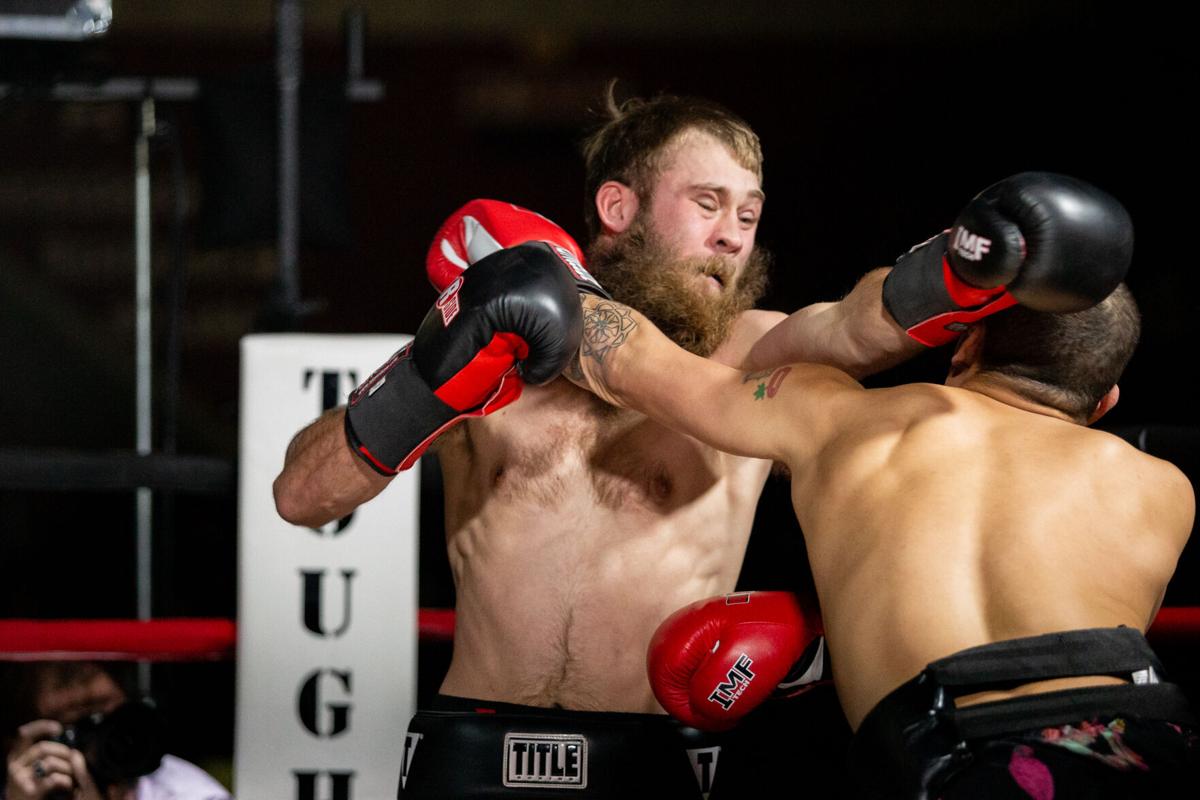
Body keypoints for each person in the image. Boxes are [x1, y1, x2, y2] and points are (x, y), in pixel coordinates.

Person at [272, 89, 917, 797]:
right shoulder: (495, 348)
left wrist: (963, 268)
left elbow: (861, 325)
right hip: (470, 744)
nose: (733, 236)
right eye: (708, 203)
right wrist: (425, 381)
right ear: (618, 209)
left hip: (653, 756)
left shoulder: (753, 352)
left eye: (748, 214)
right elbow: (302, 496)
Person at [567, 171, 1199, 796]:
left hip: (950, 750)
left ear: (963, 347)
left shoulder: (842, 420)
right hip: (1141, 742)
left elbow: (644, 370)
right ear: (1105, 401)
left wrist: (546, 278)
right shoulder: (1163, 488)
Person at [1, 662, 231, 800]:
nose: (102, 743)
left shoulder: (188, 793)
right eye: (79, 730)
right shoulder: (23, 788)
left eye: (110, 722)